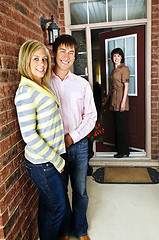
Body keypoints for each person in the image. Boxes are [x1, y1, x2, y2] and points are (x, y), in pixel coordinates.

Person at [15, 40, 66, 240]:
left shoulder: (39, 85)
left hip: (51, 158)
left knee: (48, 207)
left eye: (44, 59)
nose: (42, 64)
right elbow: (29, 136)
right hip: (43, 163)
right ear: (25, 60)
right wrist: (57, 159)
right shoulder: (26, 92)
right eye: (36, 59)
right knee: (58, 209)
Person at [50, 34, 97, 240]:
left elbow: (91, 116)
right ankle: (66, 230)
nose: (66, 56)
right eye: (62, 51)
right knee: (60, 193)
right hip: (54, 147)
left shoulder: (82, 84)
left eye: (71, 53)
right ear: (54, 52)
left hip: (78, 146)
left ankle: (80, 230)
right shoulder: (44, 82)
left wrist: (73, 136)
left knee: (80, 191)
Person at [103, 47, 130, 158]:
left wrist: (123, 102)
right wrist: (107, 99)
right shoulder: (114, 70)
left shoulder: (124, 69)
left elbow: (126, 86)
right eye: (114, 56)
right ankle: (121, 148)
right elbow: (111, 88)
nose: (116, 58)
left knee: (121, 127)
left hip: (121, 99)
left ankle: (123, 151)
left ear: (122, 57)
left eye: (118, 56)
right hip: (114, 99)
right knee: (117, 126)